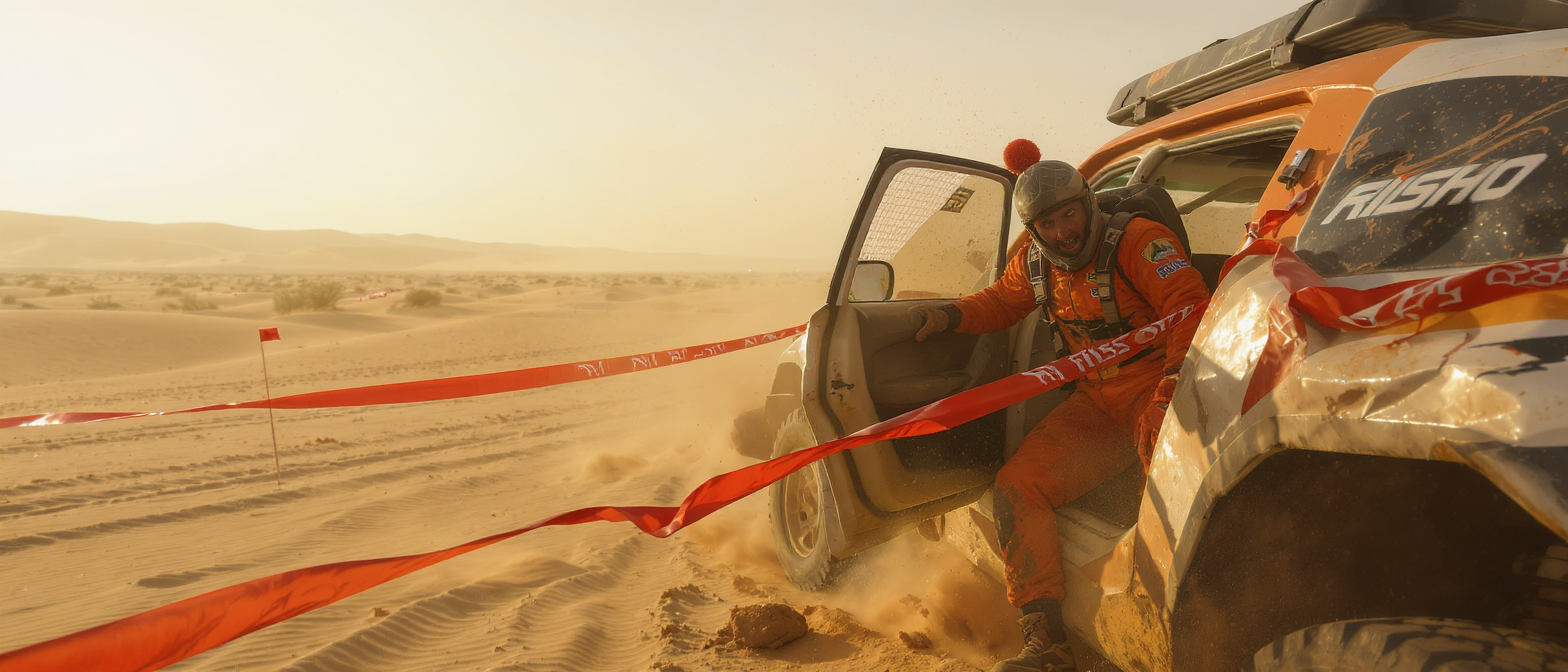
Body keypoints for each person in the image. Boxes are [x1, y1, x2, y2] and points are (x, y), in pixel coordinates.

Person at [912, 152, 1209, 672]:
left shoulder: (1138, 241)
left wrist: (1170, 388)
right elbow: (1003, 303)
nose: (1063, 232)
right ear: (1034, 228)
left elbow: (1189, 303)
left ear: (1087, 205)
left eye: (1069, 215)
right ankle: (1046, 642)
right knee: (1017, 485)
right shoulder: (1033, 257)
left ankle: (1187, 635)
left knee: (1161, 490)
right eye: (1047, 223)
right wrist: (948, 316)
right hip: (1095, 403)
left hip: (1156, 390)